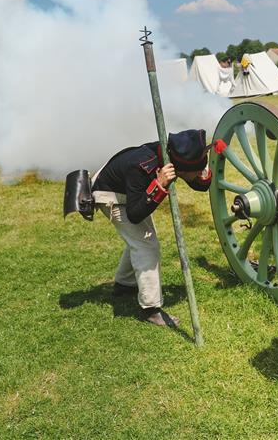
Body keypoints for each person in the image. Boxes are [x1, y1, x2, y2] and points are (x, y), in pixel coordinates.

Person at [90, 129, 212, 328]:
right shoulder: (142, 166)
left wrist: (202, 171)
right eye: (198, 169)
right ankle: (150, 309)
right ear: (180, 170)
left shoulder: (175, 154)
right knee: (147, 246)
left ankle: (123, 284)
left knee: (139, 240)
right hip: (111, 194)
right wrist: (159, 185)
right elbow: (135, 214)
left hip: (130, 192)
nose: (200, 172)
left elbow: (200, 184)